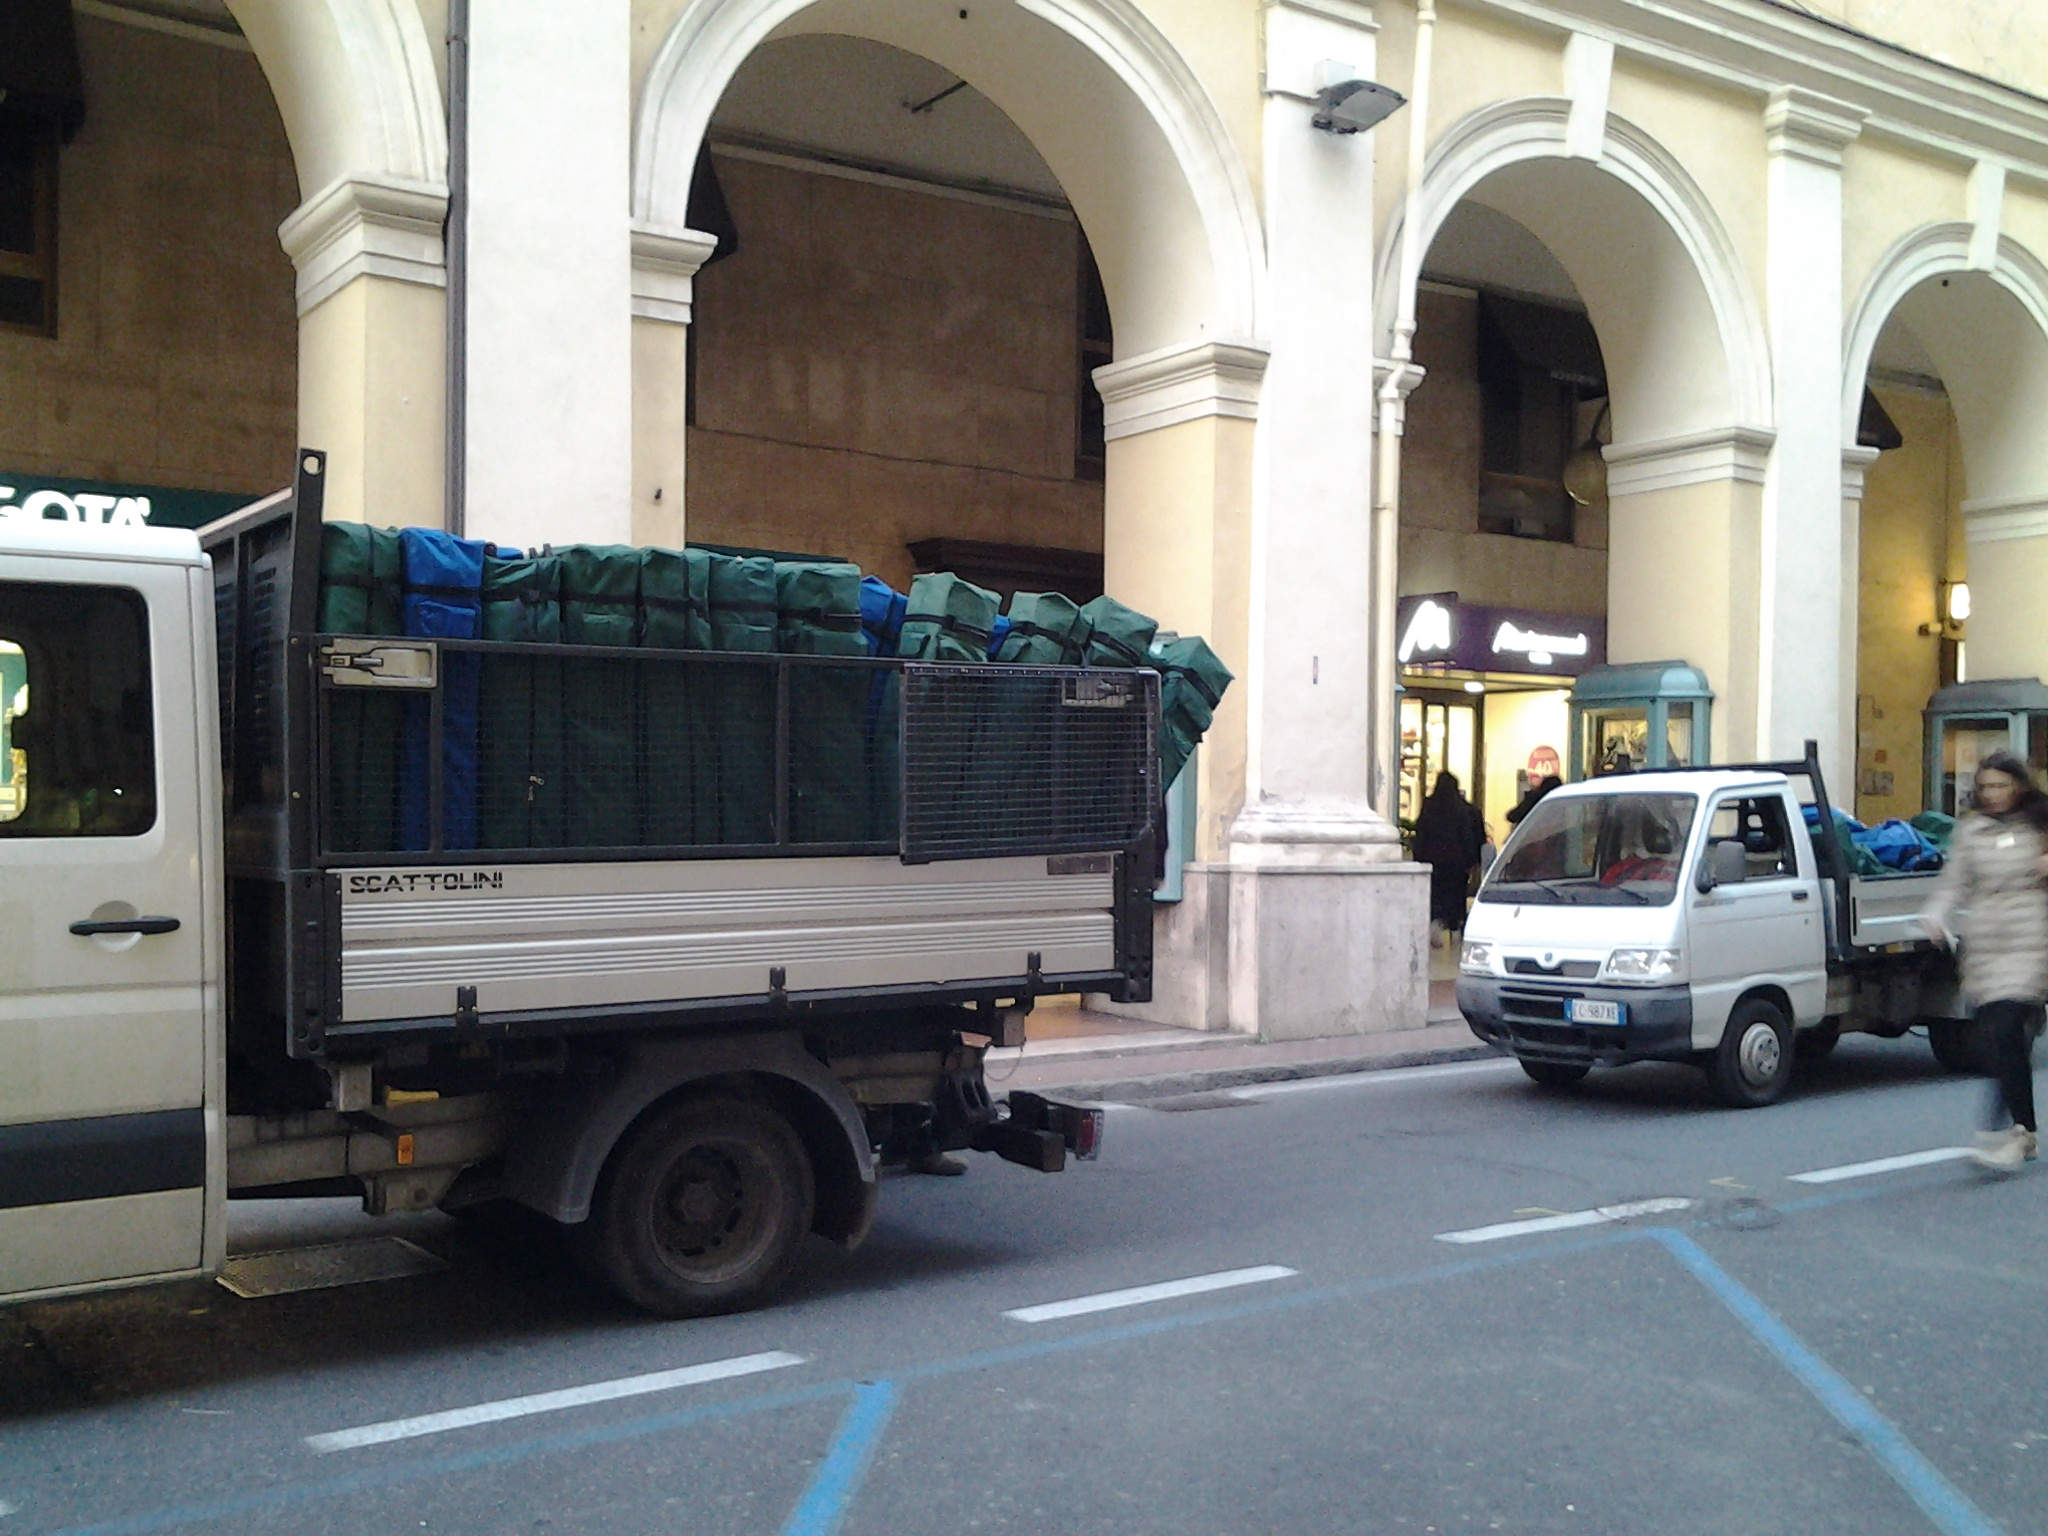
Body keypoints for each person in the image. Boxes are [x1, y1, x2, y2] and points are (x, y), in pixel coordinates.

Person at [1921, 751, 2048, 1171]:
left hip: (2032, 936)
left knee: (2008, 1026)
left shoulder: (2039, 821)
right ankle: (2017, 1129)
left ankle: (2019, 1131)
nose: (1992, 794)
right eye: (1986, 786)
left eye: (2001, 785)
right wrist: (1937, 914)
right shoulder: (1971, 830)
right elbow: (1954, 881)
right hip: (1986, 942)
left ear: (2019, 785)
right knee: (1996, 1037)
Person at [1414, 771, 1483, 947]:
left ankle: (1436, 923)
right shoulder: (1464, 809)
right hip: (1457, 862)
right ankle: (1454, 928)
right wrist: (1472, 861)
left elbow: (1421, 833)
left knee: (1436, 893)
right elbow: (1469, 836)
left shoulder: (1429, 806)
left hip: (1433, 860)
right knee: (1456, 895)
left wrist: (1418, 858)